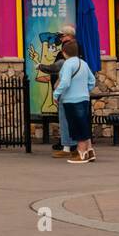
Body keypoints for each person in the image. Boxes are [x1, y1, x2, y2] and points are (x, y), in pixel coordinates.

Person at [54, 39, 97, 164]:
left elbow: (65, 82)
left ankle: (81, 153)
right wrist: (84, 90)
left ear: (64, 52)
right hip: (84, 99)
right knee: (83, 124)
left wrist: (56, 94)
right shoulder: (83, 63)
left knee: (77, 126)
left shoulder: (67, 64)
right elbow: (92, 81)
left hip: (71, 100)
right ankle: (90, 151)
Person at [37, 27, 77, 158]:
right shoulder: (79, 59)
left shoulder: (67, 56)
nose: (60, 39)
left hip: (66, 94)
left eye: (62, 36)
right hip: (76, 94)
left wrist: (56, 92)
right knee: (74, 120)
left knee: (66, 119)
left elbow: (58, 70)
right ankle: (74, 146)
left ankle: (68, 146)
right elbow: (90, 80)